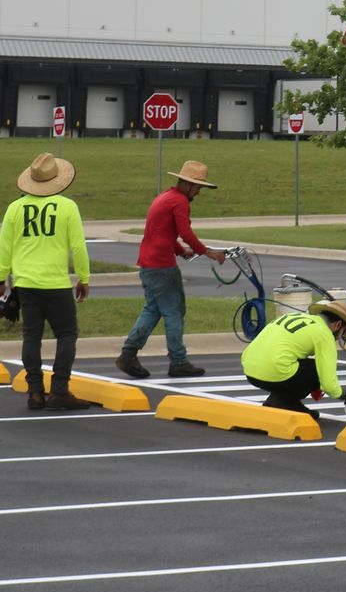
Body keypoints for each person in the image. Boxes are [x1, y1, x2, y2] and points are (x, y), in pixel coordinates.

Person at [0, 153, 97, 410]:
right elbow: (78, 247)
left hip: (26, 284)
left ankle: (35, 392)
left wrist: (1, 278)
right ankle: (60, 389)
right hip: (56, 284)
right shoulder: (67, 207)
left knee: (31, 336)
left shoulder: (15, 208)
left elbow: (4, 247)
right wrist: (84, 278)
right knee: (66, 334)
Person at [116, 159, 227, 380]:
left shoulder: (164, 197)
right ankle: (178, 361)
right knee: (174, 312)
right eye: (198, 187)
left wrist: (181, 250)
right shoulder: (180, 202)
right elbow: (185, 232)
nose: (199, 192)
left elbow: (163, 232)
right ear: (188, 184)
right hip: (161, 266)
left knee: (153, 309)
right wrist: (207, 252)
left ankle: (128, 354)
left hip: (148, 263)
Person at [241, 300, 346, 419]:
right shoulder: (324, 333)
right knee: (315, 370)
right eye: (344, 331)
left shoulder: (294, 316)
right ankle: (283, 402)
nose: (342, 336)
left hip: (249, 370)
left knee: (298, 365)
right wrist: (341, 393)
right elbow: (328, 383)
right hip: (273, 372)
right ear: (338, 325)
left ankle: (282, 400)